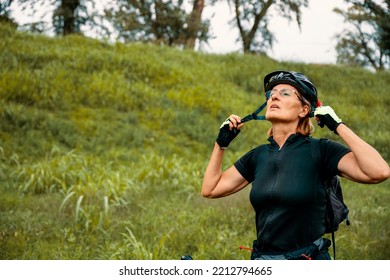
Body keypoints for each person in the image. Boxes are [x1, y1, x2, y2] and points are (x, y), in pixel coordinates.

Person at [201, 70, 390, 260]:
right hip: (263, 260)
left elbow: (379, 171)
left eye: (285, 93)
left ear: (304, 110)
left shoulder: (321, 150)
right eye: (271, 93)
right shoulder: (258, 156)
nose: (274, 96)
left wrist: (338, 125)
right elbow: (210, 189)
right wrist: (221, 143)